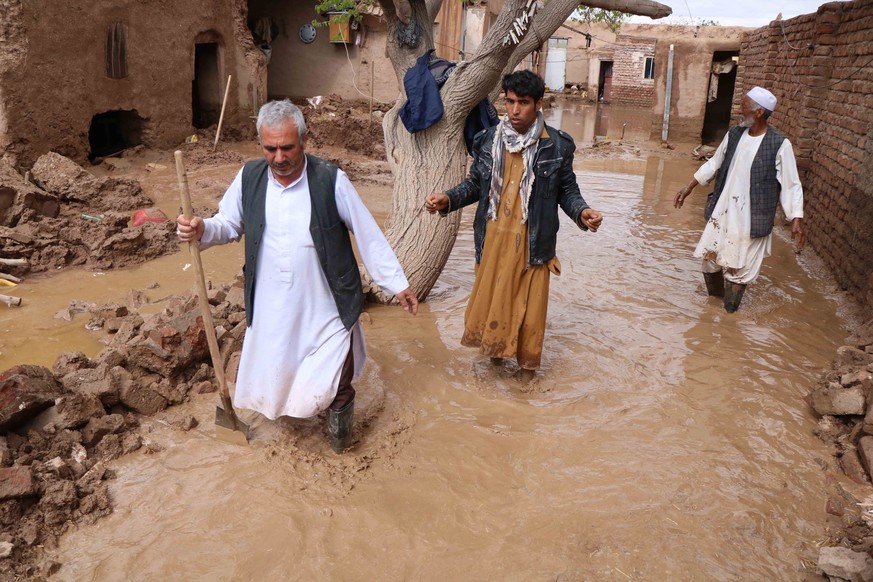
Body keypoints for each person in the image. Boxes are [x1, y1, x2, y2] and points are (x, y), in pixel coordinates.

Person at [177, 100, 418, 453]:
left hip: (327, 305)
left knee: (339, 379)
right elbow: (228, 225)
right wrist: (200, 230)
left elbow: (367, 234)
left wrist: (396, 282)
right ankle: (298, 419)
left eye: (287, 147)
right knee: (283, 371)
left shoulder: (330, 180)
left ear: (304, 140)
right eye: (270, 148)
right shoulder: (250, 178)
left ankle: (341, 448)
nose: (278, 157)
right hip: (274, 305)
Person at [425, 70, 603, 381]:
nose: (515, 110)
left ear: (538, 104)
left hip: (534, 246)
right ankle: (494, 371)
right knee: (496, 308)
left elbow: (566, 191)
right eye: (510, 102)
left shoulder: (557, 146)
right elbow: (476, 186)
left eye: (523, 102)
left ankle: (526, 380)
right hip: (493, 241)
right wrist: (448, 199)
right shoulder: (488, 140)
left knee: (530, 318)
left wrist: (582, 212)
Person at [674, 86, 805, 313]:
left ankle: (729, 315)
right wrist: (688, 187)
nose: (739, 110)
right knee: (710, 260)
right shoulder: (734, 134)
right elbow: (713, 163)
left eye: (743, 106)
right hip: (723, 212)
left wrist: (796, 218)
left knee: (739, 271)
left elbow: (791, 183)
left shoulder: (779, 144)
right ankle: (712, 309)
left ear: (758, 113)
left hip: (753, 218)